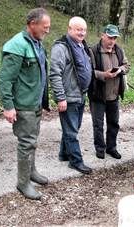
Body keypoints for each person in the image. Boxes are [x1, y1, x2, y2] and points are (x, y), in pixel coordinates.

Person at [0, 8, 51, 200]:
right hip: (23, 104)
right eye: (44, 27)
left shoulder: (37, 43)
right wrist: (8, 106)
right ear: (32, 24)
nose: (47, 31)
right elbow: (6, 79)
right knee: (26, 143)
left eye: (48, 27)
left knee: (33, 141)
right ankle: (23, 183)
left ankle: (31, 172)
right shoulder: (16, 45)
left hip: (35, 103)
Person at [49, 16, 92, 174]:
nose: (82, 33)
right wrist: (60, 97)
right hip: (68, 97)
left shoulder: (81, 46)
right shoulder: (61, 47)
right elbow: (55, 74)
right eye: (78, 29)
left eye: (84, 30)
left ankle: (64, 154)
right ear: (69, 29)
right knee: (72, 130)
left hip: (80, 95)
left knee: (72, 127)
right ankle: (76, 161)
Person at [88, 24, 130, 160]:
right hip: (98, 95)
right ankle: (100, 149)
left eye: (115, 38)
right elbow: (88, 71)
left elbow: (126, 65)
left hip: (114, 95)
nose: (112, 41)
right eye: (110, 37)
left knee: (114, 123)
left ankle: (111, 148)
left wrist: (120, 70)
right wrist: (104, 75)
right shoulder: (93, 51)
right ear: (103, 35)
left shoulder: (119, 50)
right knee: (98, 124)